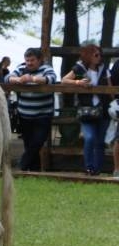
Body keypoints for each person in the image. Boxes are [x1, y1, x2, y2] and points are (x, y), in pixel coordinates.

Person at [60, 44, 110, 176]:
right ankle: (89, 167)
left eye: (100, 55)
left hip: (103, 110)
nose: (99, 57)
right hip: (86, 110)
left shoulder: (104, 69)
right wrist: (78, 83)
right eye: (96, 55)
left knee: (100, 141)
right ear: (88, 55)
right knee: (89, 138)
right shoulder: (79, 67)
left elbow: (110, 88)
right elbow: (64, 80)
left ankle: (97, 169)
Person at [6, 47, 57, 172]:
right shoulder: (21, 68)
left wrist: (32, 79)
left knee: (37, 142)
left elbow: (51, 79)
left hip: (43, 114)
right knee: (29, 144)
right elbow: (8, 78)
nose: (29, 63)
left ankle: (21, 166)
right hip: (25, 115)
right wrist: (18, 79)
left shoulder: (47, 69)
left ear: (39, 60)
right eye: (27, 60)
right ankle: (34, 171)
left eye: (32, 60)